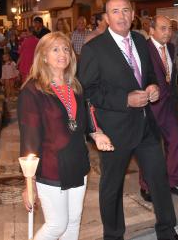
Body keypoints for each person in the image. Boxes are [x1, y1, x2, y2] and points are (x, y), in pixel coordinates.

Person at [78, 0, 178, 240]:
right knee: (112, 187)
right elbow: (88, 91)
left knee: (159, 180)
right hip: (114, 130)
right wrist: (125, 99)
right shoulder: (94, 48)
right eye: (115, 11)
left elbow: (149, 77)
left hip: (146, 126)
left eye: (126, 10)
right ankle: (113, 236)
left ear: (133, 15)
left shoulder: (140, 41)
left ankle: (167, 231)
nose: (122, 16)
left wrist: (153, 87)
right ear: (106, 17)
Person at [18, 32, 114, 240]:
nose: (62, 54)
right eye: (55, 49)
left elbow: (85, 118)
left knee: (73, 223)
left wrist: (96, 134)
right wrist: (29, 182)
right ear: (43, 56)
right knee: (56, 225)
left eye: (65, 49)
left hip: (77, 161)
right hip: (51, 166)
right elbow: (29, 138)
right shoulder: (33, 91)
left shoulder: (75, 86)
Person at [138, 15, 178, 202]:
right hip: (151, 105)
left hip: (169, 105)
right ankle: (146, 185)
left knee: (176, 141)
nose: (167, 32)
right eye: (163, 28)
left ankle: (172, 180)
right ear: (151, 30)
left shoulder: (172, 48)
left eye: (170, 29)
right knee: (150, 148)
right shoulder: (144, 49)